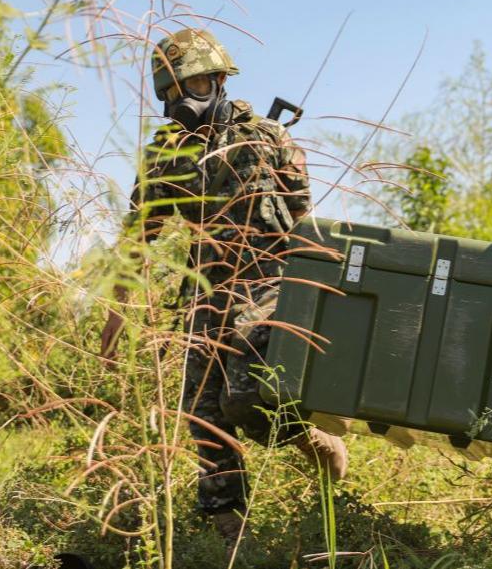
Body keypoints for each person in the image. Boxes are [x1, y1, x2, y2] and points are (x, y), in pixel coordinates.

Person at [98, 28, 348, 546]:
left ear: (218, 80)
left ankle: (314, 444)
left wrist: (327, 300)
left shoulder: (268, 138)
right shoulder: (166, 155)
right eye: (173, 92)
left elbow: (309, 225)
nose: (182, 100)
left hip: (271, 285)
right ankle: (229, 524)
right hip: (205, 293)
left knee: (249, 393)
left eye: (191, 85)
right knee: (201, 409)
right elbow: (138, 240)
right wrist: (115, 314)